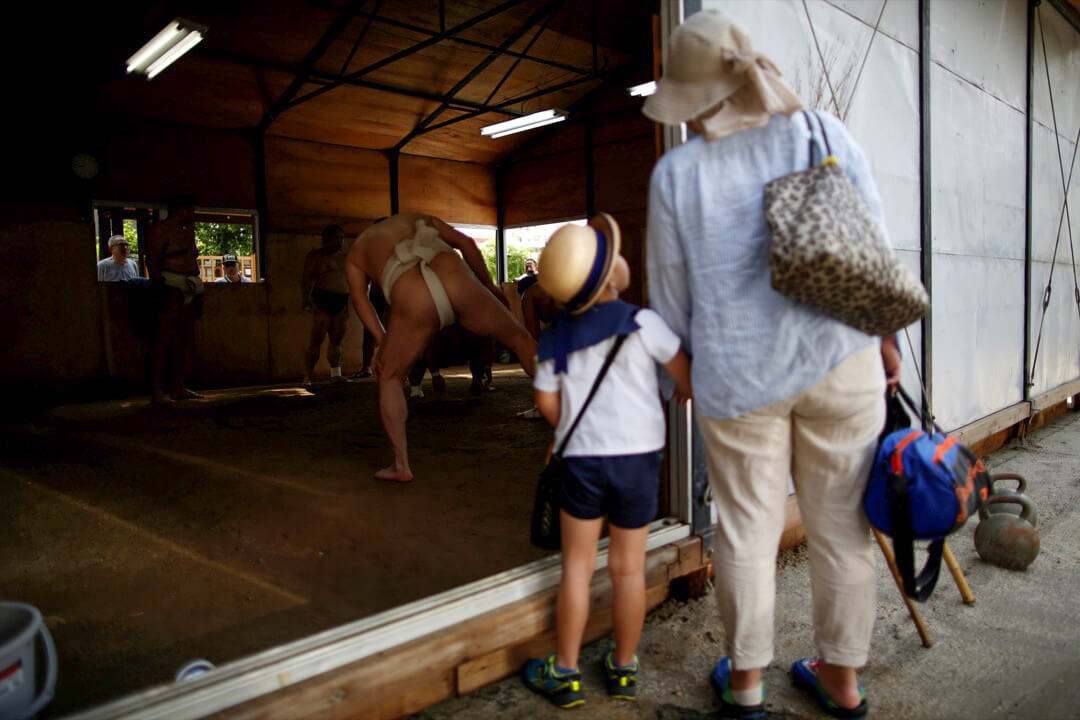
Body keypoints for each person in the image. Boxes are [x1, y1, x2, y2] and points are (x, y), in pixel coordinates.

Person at [642, 11, 901, 719]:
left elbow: (668, 303)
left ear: (699, 99)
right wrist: (888, 344)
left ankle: (747, 685)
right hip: (841, 360)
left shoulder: (677, 173)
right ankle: (842, 682)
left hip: (740, 380)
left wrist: (691, 384)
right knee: (843, 529)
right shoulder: (822, 132)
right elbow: (872, 248)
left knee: (747, 532)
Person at [521, 214, 692, 709]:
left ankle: (566, 672)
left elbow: (549, 406)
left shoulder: (554, 338)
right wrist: (680, 389)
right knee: (628, 569)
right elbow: (685, 375)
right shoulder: (644, 322)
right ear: (608, 273)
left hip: (583, 463)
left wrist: (565, 428)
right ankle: (623, 667)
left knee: (576, 567)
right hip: (638, 462)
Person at [344, 212, 538, 483]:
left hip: (412, 294)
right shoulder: (412, 218)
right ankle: (569, 411)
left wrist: (383, 339)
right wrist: (489, 286)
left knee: (389, 376)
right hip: (456, 277)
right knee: (522, 339)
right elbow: (467, 243)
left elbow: (359, 299)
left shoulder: (358, 250)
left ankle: (401, 466)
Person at [145, 197, 205, 405]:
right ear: (182, 210)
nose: (193, 215)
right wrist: (158, 283)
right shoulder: (161, 230)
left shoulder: (187, 231)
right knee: (162, 340)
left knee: (183, 338)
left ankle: (178, 387)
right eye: (191, 211)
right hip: (169, 284)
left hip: (189, 285)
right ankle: (156, 390)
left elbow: (192, 256)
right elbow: (151, 259)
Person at [302, 224, 350, 384]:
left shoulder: (345, 257)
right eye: (337, 238)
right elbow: (307, 278)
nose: (340, 241)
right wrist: (306, 299)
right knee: (317, 339)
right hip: (322, 299)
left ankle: (336, 374)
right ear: (327, 239)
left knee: (337, 339)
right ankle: (308, 376)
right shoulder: (316, 256)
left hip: (342, 300)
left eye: (342, 238)